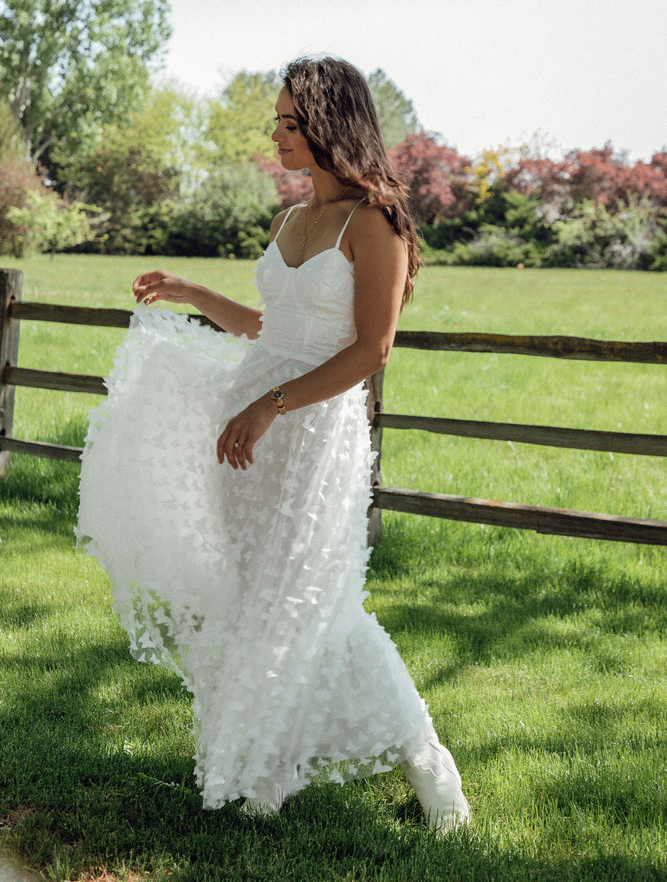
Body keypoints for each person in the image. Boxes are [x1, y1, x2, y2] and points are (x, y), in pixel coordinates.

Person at [76, 56, 470, 831]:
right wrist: (193, 294)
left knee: (316, 605)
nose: (278, 135)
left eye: (293, 122)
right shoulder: (290, 220)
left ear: (332, 126)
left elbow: (370, 350)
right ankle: (263, 771)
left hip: (311, 437)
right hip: (248, 435)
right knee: (260, 600)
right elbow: (270, 329)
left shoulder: (375, 224)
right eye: (279, 121)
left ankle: (428, 765)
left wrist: (272, 406)